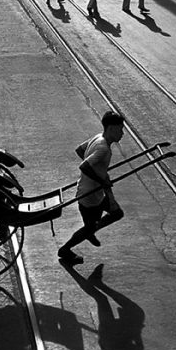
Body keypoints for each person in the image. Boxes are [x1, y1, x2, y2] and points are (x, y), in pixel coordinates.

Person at [58, 111, 125, 265]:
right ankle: (65, 250)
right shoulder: (103, 149)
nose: (122, 133)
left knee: (116, 213)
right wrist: (102, 180)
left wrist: (98, 170)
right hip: (90, 196)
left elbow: (80, 150)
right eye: (120, 129)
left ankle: (91, 230)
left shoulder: (98, 138)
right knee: (91, 227)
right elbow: (84, 166)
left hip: (93, 193)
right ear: (111, 129)